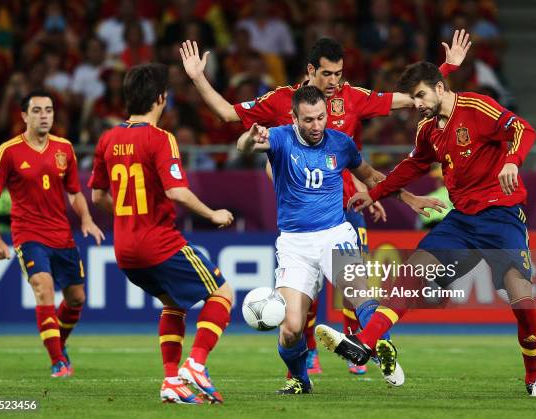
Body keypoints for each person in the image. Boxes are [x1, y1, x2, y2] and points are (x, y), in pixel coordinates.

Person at [181, 30, 471, 381]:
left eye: (339, 74)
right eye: (327, 74)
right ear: (310, 71)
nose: (334, 82)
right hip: (297, 222)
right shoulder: (281, 102)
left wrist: (446, 69)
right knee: (301, 308)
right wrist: (197, 77)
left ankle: (368, 347)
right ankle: (307, 361)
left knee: (355, 292)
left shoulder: (352, 98)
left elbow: (411, 100)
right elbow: (230, 116)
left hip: (346, 208)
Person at [316, 61, 536, 397]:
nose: (417, 104)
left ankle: (534, 379)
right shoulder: (428, 128)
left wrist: (512, 160)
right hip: (461, 221)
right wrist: (374, 192)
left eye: (421, 96)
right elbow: (413, 165)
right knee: (412, 271)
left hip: (502, 218)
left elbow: (523, 130)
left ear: (440, 88)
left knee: (523, 303)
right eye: (414, 98)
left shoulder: (476, 106)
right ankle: (365, 343)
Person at [237, 85, 444, 394]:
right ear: (294, 118)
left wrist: (408, 197)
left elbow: (371, 174)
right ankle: (299, 380)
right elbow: (244, 147)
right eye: (308, 120)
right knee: (291, 329)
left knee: (361, 298)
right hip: (294, 245)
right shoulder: (279, 138)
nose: (317, 125)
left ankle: (382, 347)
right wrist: (247, 139)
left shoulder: (341, 143)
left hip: (336, 235)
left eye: (321, 118)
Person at [88, 63, 234, 404]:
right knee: (223, 293)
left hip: (125, 250)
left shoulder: (108, 139)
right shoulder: (160, 138)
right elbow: (176, 192)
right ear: (160, 99)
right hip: (158, 242)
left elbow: (97, 196)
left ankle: (171, 381)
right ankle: (196, 364)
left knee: (173, 305)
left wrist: (128, 217)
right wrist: (213, 213)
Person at [0, 90, 104, 378]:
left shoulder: (64, 148)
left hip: (62, 235)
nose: (44, 115)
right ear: (24, 116)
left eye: (48, 110)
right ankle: (58, 361)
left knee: (76, 299)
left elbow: (74, 192)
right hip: (28, 234)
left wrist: (85, 219)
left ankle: (58, 345)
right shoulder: (8, 151)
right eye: (37, 111)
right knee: (43, 289)